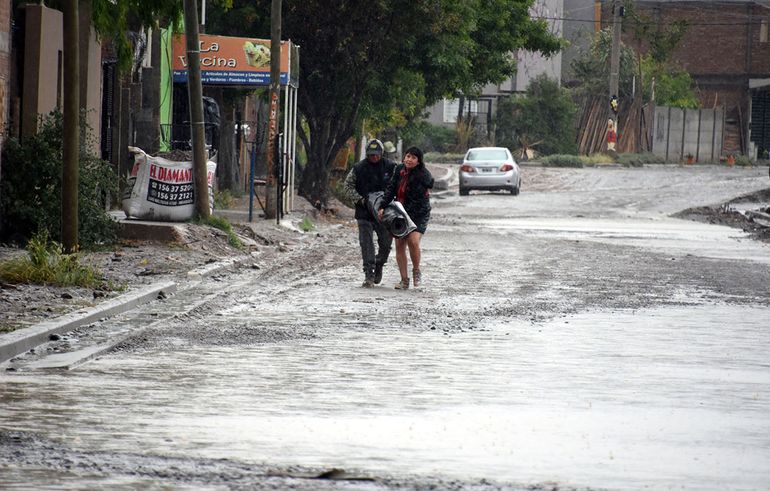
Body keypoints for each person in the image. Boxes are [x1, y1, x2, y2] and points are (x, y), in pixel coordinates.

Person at [343, 139, 397, 287]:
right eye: (371, 155)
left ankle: (379, 263)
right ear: (367, 154)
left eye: (377, 154)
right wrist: (360, 200)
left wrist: (393, 202)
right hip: (364, 211)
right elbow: (347, 187)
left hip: (385, 212)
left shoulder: (391, 167)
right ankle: (369, 273)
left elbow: (400, 184)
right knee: (366, 244)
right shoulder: (358, 168)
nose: (374, 157)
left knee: (386, 243)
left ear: (382, 154)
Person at [378, 146, 434, 289]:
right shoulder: (399, 170)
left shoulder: (422, 174)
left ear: (418, 161)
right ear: (404, 157)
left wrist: (421, 174)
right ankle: (404, 280)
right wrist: (383, 206)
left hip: (419, 213)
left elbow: (430, 182)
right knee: (399, 244)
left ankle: (416, 270)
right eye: (408, 156)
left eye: (413, 158)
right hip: (400, 212)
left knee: (413, 241)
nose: (409, 160)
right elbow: (391, 189)